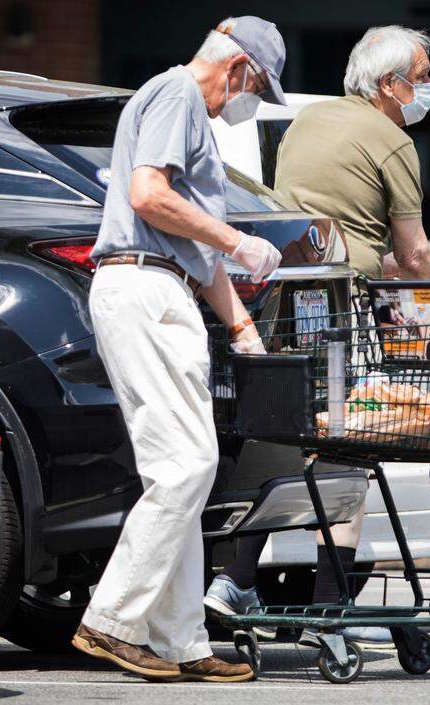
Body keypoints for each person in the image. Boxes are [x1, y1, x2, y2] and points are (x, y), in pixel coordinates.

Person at [205, 25, 430, 651]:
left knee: (281, 433)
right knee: (349, 445)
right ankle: (332, 607)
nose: (424, 89)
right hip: (342, 309)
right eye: (418, 77)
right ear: (389, 85)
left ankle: (234, 579)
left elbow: (331, 222)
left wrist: (375, 261)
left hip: (288, 299)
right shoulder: (393, 141)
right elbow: (412, 253)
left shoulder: (306, 123)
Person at [71, 16, 285, 683]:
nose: (246, 105)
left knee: (186, 469)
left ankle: (182, 640)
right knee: (187, 467)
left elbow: (189, 241)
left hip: (160, 288)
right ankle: (111, 620)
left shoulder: (182, 107)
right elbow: (148, 194)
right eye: (257, 89)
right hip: (145, 288)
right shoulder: (178, 95)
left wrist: (243, 327)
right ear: (240, 68)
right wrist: (234, 239)